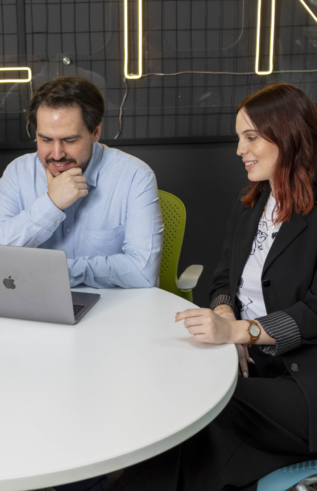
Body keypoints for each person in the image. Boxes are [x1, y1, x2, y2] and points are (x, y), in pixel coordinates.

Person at [110, 83, 317, 491]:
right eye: (239, 138)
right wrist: (224, 314)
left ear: (289, 136)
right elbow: (224, 279)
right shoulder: (251, 204)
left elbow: (315, 311)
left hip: (304, 383)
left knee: (196, 410)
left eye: (251, 137)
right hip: (256, 367)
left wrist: (241, 332)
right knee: (176, 402)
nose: (240, 150)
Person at [0, 76, 163, 289]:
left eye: (70, 140)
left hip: (114, 305)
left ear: (95, 132)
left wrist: (57, 271)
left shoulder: (135, 176)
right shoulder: (18, 173)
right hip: (35, 301)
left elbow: (142, 273)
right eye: (46, 140)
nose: (57, 154)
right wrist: (51, 205)